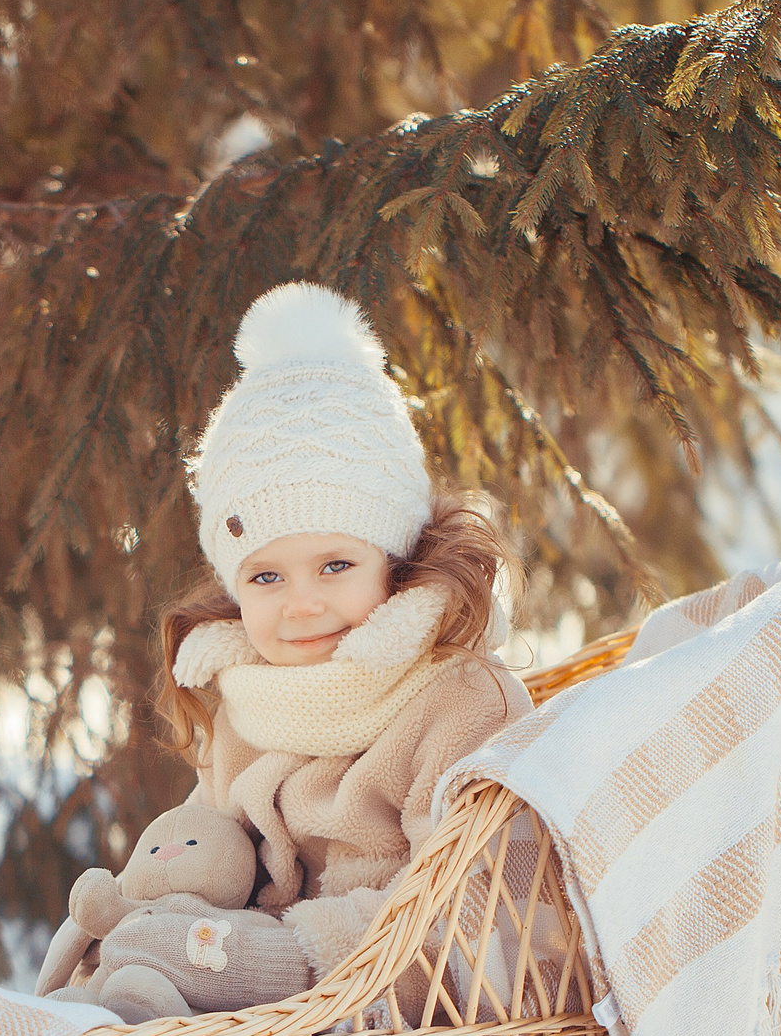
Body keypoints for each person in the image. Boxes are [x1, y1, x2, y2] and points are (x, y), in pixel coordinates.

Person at [137, 280, 533, 998]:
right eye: (266, 578)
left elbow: (483, 911)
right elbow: (206, 848)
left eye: (336, 565)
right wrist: (151, 911)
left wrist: (282, 959)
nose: (303, 604)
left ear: (398, 555)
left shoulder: (458, 700)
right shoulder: (246, 706)